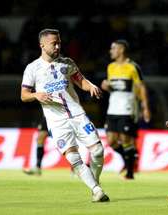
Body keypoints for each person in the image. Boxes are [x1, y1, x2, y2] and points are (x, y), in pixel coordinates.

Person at [21, 28, 109, 202]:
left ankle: (94, 181)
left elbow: (80, 80)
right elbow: (24, 95)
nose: (58, 46)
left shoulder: (67, 63)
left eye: (59, 42)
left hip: (77, 114)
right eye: (54, 43)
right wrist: (36, 95)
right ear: (42, 44)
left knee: (98, 150)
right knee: (73, 157)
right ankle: (96, 189)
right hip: (56, 121)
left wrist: (90, 86)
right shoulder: (32, 68)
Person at [101, 39, 151, 179]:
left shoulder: (133, 67)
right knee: (111, 141)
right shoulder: (110, 67)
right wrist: (106, 86)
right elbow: (113, 88)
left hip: (127, 108)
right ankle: (131, 159)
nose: (111, 51)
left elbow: (141, 87)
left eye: (113, 48)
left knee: (125, 139)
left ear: (121, 50)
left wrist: (145, 107)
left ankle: (130, 172)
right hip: (112, 108)